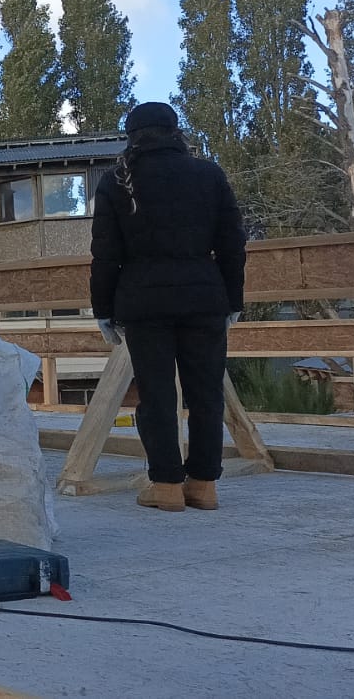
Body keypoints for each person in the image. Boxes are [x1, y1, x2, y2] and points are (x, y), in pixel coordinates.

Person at [90, 102, 246, 513]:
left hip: (144, 302)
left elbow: (106, 255)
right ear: (176, 132)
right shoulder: (209, 175)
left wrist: (102, 309)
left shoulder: (117, 182)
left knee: (157, 396)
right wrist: (233, 300)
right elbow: (232, 244)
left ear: (132, 136)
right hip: (205, 299)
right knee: (206, 394)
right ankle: (204, 485)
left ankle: (165, 486)